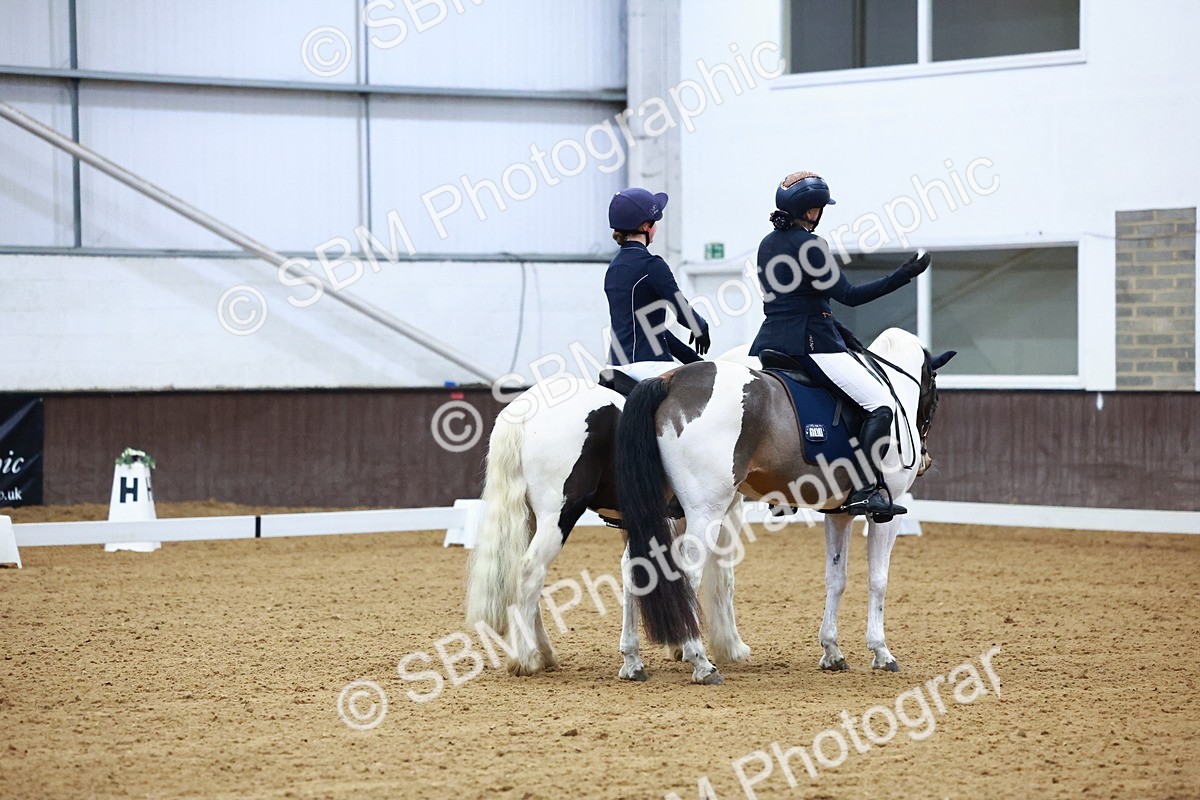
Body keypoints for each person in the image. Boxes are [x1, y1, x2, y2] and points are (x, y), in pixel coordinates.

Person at [749, 171, 931, 518]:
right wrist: (902, 276)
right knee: (881, 405)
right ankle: (864, 488)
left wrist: (839, 331)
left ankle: (781, 491)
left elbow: (800, 298)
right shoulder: (811, 246)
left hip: (772, 341)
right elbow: (850, 296)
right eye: (819, 209)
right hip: (811, 344)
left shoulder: (766, 244)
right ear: (810, 211)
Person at [604, 188, 711, 369]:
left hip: (615, 366)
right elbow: (682, 311)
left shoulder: (613, 268)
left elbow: (652, 329)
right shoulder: (652, 265)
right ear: (647, 226)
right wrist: (701, 326)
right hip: (648, 366)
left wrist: (694, 360)